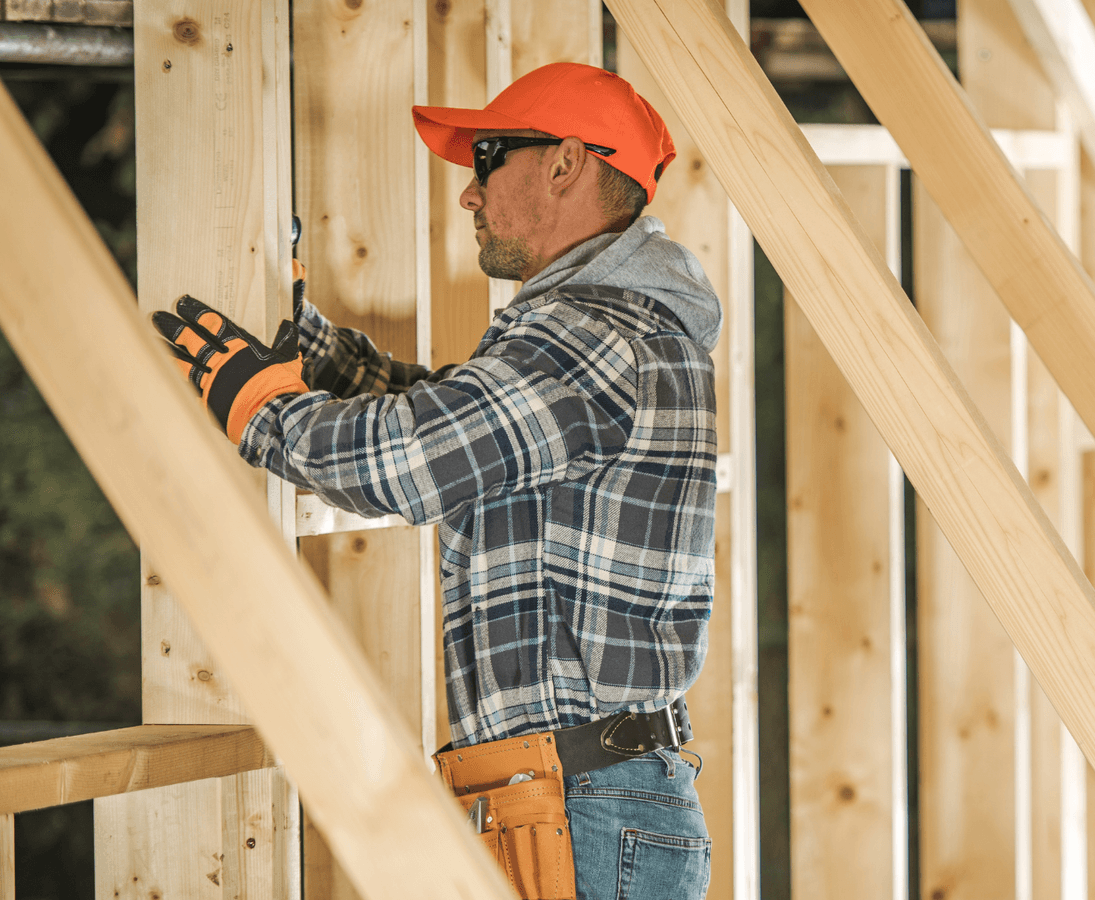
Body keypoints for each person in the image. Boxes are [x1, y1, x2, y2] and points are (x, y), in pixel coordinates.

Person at [151, 62, 721, 900]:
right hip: (580, 795)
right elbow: (466, 422)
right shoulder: (607, 333)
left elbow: (409, 462)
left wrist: (265, 413)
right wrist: (317, 355)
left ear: (565, 163)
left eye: (488, 156)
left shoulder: (592, 334)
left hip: (578, 801)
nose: (469, 191)